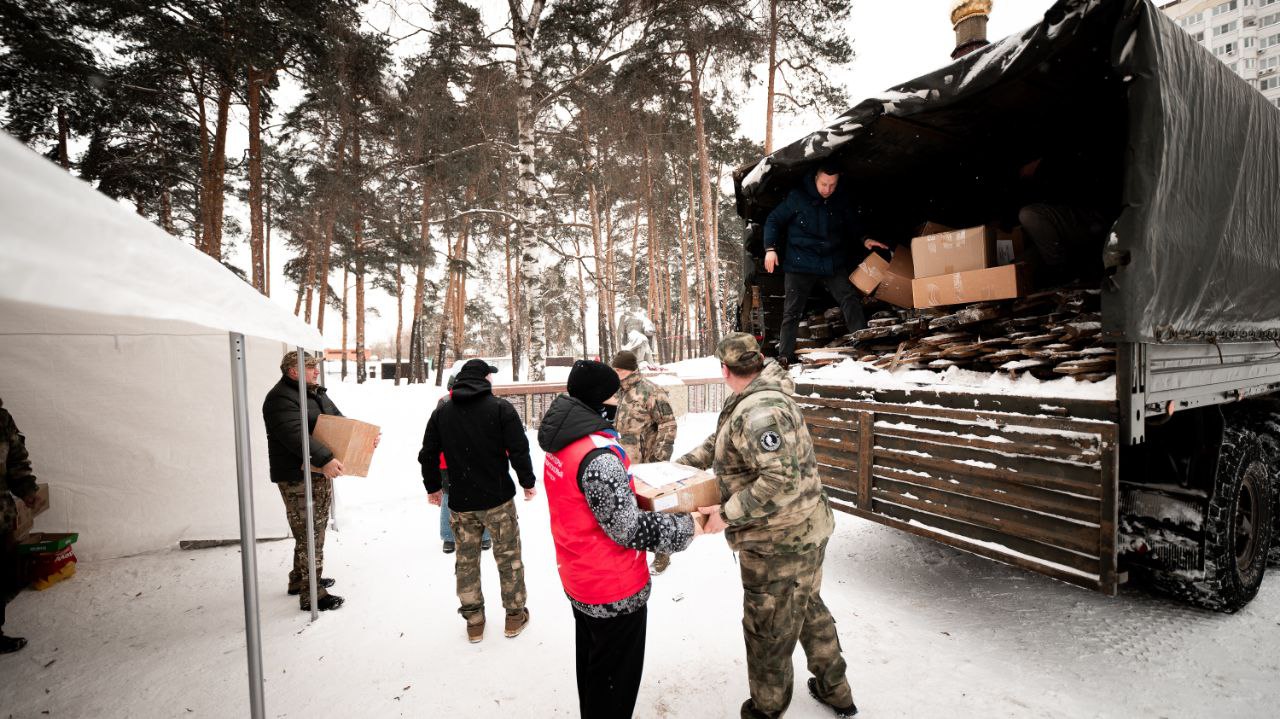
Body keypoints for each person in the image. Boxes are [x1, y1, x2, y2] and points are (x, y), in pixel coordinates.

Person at [678, 333, 857, 719]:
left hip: (779, 541)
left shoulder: (759, 411)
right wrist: (678, 468)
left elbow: (780, 480)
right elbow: (721, 441)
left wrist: (726, 513)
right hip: (804, 528)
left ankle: (767, 709)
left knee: (769, 628)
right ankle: (836, 690)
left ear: (724, 370)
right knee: (806, 606)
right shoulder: (755, 395)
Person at [537, 359, 699, 719]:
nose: (619, 402)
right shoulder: (597, 455)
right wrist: (691, 527)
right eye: (614, 396)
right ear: (600, 400)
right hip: (612, 588)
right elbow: (628, 529)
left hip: (580, 575)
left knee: (594, 670)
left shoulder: (564, 442)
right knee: (614, 684)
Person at [419, 358, 536, 643]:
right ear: (485, 379)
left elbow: (427, 454)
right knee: (509, 558)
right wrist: (527, 482)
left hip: (461, 502)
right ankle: (514, 616)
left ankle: (474, 621)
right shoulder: (500, 408)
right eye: (490, 376)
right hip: (498, 500)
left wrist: (433, 487)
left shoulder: (443, 412)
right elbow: (519, 449)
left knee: (466, 562)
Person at [763, 163, 882, 365]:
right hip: (800, 263)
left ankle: (863, 349)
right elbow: (773, 220)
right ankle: (785, 356)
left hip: (830, 262)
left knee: (850, 298)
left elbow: (853, 223)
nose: (828, 189)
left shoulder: (840, 199)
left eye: (832, 185)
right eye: (824, 184)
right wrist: (770, 249)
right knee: (792, 311)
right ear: (815, 179)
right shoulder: (797, 197)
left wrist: (865, 239)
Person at [262, 351, 348, 612]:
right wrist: (325, 459)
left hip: (317, 473)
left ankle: (299, 579)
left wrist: (362, 438)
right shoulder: (280, 399)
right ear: (294, 371)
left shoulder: (314, 393)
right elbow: (296, 436)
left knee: (311, 529)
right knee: (310, 533)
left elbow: (338, 423)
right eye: (311, 367)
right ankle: (313, 594)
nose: (316, 371)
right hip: (297, 477)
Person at [609, 350, 679, 576]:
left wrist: (660, 459)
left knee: (656, 508)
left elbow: (668, 425)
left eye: (618, 370)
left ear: (630, 370)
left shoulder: (650, 391)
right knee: (629, 507)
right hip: (626, 460)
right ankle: (634, 549)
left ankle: (663, 552)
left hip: (649, 461)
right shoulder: (620, 390)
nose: (615, 373)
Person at [1, 399, 40, 653]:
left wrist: (27, 490)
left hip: (1, 517)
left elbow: (16, 459)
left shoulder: (2, 419)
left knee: (11, 574)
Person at [436, 375, 490, 555]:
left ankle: (449, 539)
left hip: (448, 460)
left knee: (449, 496)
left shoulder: (443, 402)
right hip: (472, 457)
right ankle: (484, 537)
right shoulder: (479, 399)